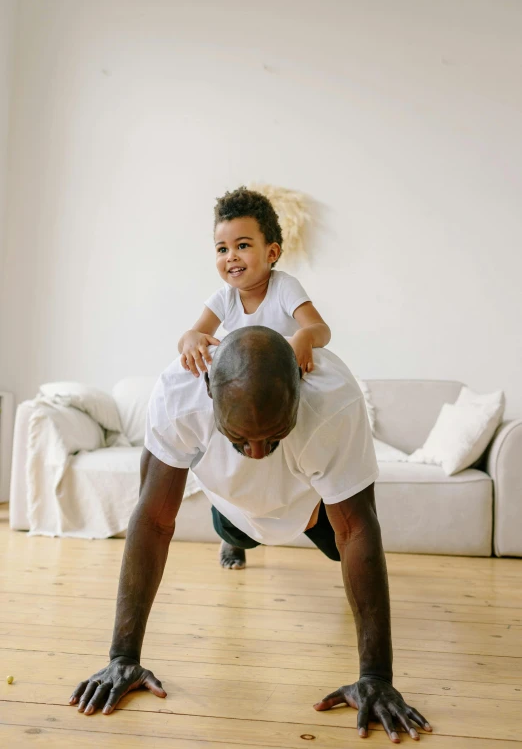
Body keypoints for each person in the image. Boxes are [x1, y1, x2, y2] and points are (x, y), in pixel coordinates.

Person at [69, 327, 432, 743]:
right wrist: (122, 657)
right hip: (234, 505)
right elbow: (152, 521)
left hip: (309, 508)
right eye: (241, 438)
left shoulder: (335, 401)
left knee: (342, 552)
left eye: (275, 435)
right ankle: (234, 536)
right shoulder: (177, 395)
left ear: (300, 381)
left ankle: (291, 518)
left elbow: (356, 530)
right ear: (207, 389)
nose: (258, 453)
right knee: (239, 533)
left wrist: (376, 677)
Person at [178, 187, 331, 378]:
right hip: (244, 381)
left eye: (242, 246)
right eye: (222, 249)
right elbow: (188, 339)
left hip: (284, 376)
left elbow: (321, 329)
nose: (231, 257)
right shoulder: (224, 298)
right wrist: (190, 338)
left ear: (271, 253)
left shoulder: (284, 287)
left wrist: (304, 336)